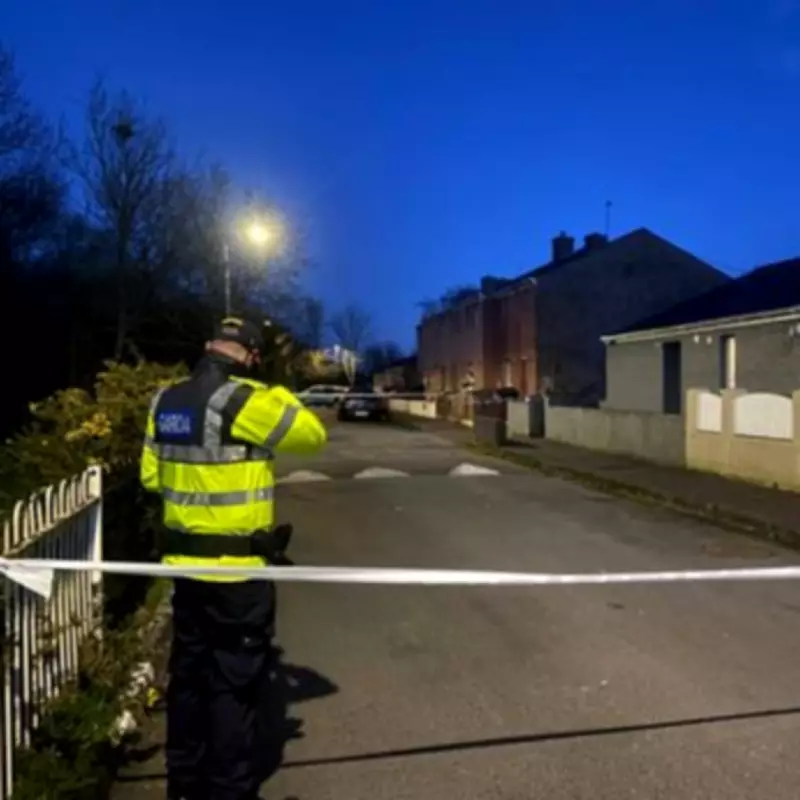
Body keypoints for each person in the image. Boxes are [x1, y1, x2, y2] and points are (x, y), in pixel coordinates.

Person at [139, 316, 327, 800]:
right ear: (250, 356)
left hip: (184, 570)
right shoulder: (245, 400)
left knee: (188, 677)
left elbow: (149, 478)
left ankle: (182, 784)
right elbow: (311, 436)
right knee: (233, 685)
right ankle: (230, 791)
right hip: (237, 573)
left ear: (209, 347)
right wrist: (277, 391)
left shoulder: (166, 400)